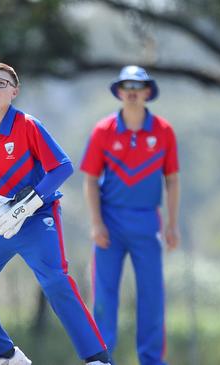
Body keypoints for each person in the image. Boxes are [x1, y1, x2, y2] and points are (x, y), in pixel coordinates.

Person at [0, 62, 111, 365]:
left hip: (36, 219)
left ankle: (97, 359)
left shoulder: (27, 125)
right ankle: (5, 357)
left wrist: (26, 206)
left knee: (55, 282)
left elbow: (62, 167)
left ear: (15, 91)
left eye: (1, 83)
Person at [80, 65, 180, 365]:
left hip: (147, 220)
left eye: (138, 87)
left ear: (148, 92)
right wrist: (96, 223)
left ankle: (151, 359)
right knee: (104, 295)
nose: (133, 92)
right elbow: (89, 179)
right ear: (119, 92)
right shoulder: (103, 131)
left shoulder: (163, 131)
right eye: (127, 87)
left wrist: (173, 225)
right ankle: (101, 359)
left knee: (152, 296)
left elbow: (172, 179)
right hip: (110, 222)